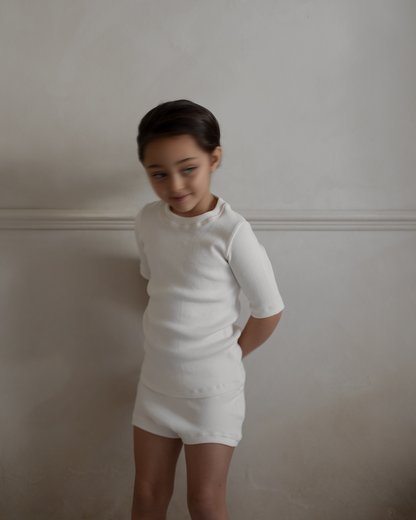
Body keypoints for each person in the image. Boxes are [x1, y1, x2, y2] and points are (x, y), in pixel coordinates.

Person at [131, 99, 284, 520]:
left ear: (214, 158)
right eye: (158, 174)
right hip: (155, 385)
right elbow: (155, 280)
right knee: (146, 494)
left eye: (188, 168)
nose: (174, 184)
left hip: (212, 394)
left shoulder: (232, 232)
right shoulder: (147, 220)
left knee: (203, 502)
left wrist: (230, 354)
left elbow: (269, 310)